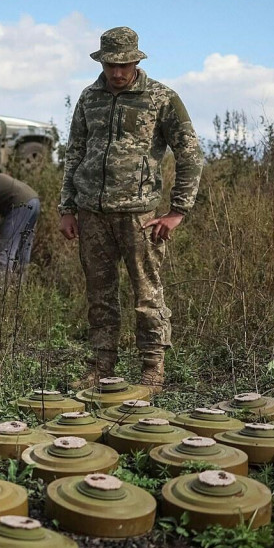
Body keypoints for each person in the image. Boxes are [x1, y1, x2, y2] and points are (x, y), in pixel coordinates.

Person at [59, 26, 203, 391]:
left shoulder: (161, 98)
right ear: (102, 62)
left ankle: (152, 369)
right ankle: (101, 367)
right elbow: (74, 153)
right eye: (111, 65)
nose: (117, 72)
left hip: (141, 217)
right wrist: (67, 207)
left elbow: (189, 155)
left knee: (147, 295)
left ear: (137, 60)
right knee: (100, 295)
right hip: (92, 213)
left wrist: (177, 211)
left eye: (124, 64)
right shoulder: (89, 97)